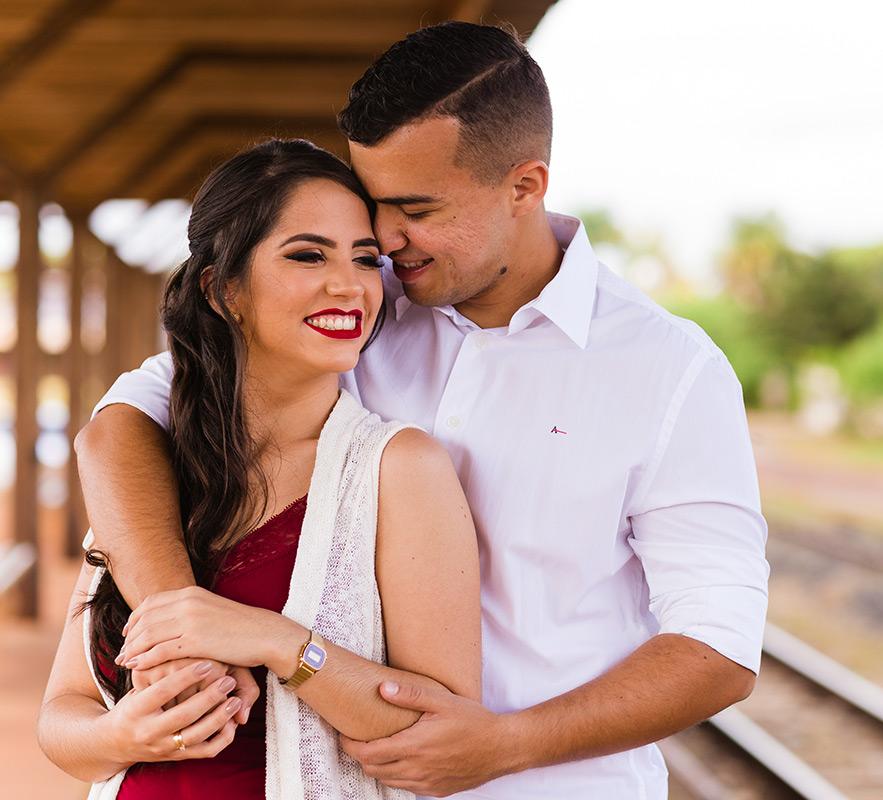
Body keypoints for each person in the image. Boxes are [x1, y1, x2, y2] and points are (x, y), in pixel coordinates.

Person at [74, 20, 770, 800]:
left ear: (525, 187)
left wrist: (508, 745)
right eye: (376, 204)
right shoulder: (352, 308)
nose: (385, 236)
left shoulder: (668, 369)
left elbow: (718, 646)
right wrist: (183, 629)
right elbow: (121, 428)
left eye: (417, 207)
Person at [39, 139, 481, 799]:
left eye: (366, 259)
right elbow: (62, 717)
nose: (350, 284)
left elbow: (440, 732)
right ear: (222, 290)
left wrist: (277, 642)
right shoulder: (157, 470)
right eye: (308, 255)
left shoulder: (398, 467)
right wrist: (124, 735)